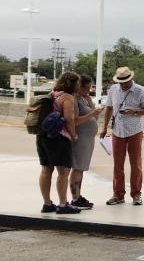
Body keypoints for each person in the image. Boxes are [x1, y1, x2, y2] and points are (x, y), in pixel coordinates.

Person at [100, 66, 144, 206]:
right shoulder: (113, 90)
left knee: (135, 164)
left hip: (134, 130)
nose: (123, 84)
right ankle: (118, 194)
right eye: (121, 82)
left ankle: (136, 194)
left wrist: (134, 111)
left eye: (126, 82)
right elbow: (109, 108)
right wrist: (104, 127)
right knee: (117, 165)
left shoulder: (140, 91)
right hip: (117, 131)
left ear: (131, 79)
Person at [36, 72, 81, 215]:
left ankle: (47, 203)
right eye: (78, 83)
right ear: (72, 84)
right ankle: (63, 204)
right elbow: (69, 118)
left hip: (43, 136)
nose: (79, 86)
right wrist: (73, 134)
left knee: (46, 170)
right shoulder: (67, 97)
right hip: (58, 137)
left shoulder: (53, 94)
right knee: (63, 172)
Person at [68, 74, 102, 209]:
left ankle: (78, 196)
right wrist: (91, 114)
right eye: (87, 88)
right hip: (80, 138)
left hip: (87, 139)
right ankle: (75, 198)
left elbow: (95, 116)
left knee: (81, 169)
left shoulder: (83, 98)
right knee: (77, 168)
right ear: (79, 87)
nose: (89, 91)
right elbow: (75, 120)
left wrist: (90, 102)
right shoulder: (75, 99)